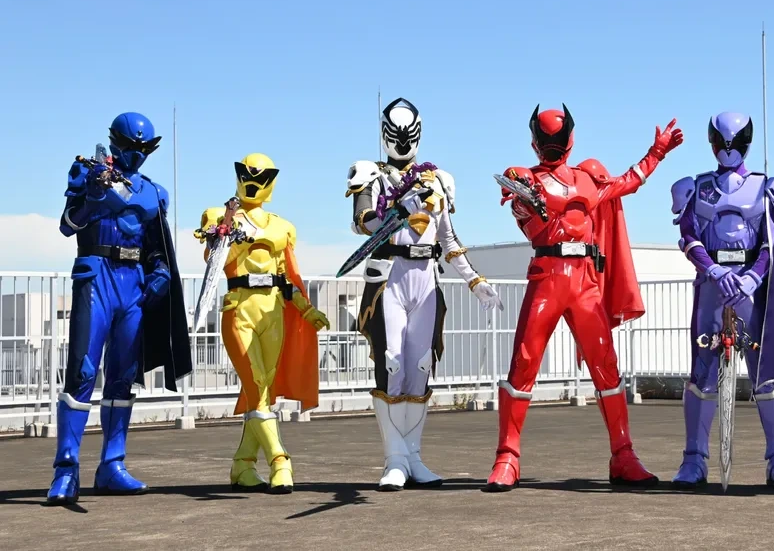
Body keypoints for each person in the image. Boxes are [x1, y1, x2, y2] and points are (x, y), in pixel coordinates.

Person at [485, 104, 683, 491]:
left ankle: (623, 454)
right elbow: (522, 210)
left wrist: (657, 152)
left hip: (584, 281)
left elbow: (629, 182)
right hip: (548, 275)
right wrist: (524, 201)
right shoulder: (526, 179)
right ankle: (507, 456)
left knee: (605, 364)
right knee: (524, 363)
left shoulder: (587, 178)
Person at [346, 97, 503, 491]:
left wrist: (475, 280)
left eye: (409, 132)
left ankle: (413, 457)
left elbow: (448, 239)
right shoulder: (372, 175)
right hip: (389, 278)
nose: (402, 140)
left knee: (419, 368)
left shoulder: (438, 180)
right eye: (395, 132)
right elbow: (363, 222)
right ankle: (395, 459)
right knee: (392, 365)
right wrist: (398, 206)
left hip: (426, 280)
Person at [47, 112, 191, 506]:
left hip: (134, 284)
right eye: (130, 147)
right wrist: (93, 193)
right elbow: (67, 224)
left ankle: (112, 464)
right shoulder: (87, 172)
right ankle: (66, 469)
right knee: (82, 371)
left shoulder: (153, 191)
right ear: (114, 142)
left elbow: (156, 243)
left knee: (123, 376)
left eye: (144, 149)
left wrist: (160, 270)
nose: (136, 155)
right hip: (97, 275)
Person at [668, 111, 774, 490]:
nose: (727, 149)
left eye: (733, 142)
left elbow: (771, 241)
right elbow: (689, 236)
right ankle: (694, 459)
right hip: (712, 285)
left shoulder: (768, 188)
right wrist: (715, 271)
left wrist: (752, 277)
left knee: (766, 373)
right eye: (722, 142)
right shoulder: (695, 187)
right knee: (703, 372)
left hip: (751, 287)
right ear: (712, 142)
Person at [196, 153, 331, 493]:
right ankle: (280, 461)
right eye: (247, 175)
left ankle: (242, 465)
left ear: (272, 181)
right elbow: (213, 258)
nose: (253, 182)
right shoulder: (218, 216)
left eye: (261, 177)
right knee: (257, 385)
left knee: (264, 391)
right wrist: (224, 231)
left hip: (273, 312)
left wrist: (306, 310)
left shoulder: (283, 227)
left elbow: (287, 278)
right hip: (238, 309)